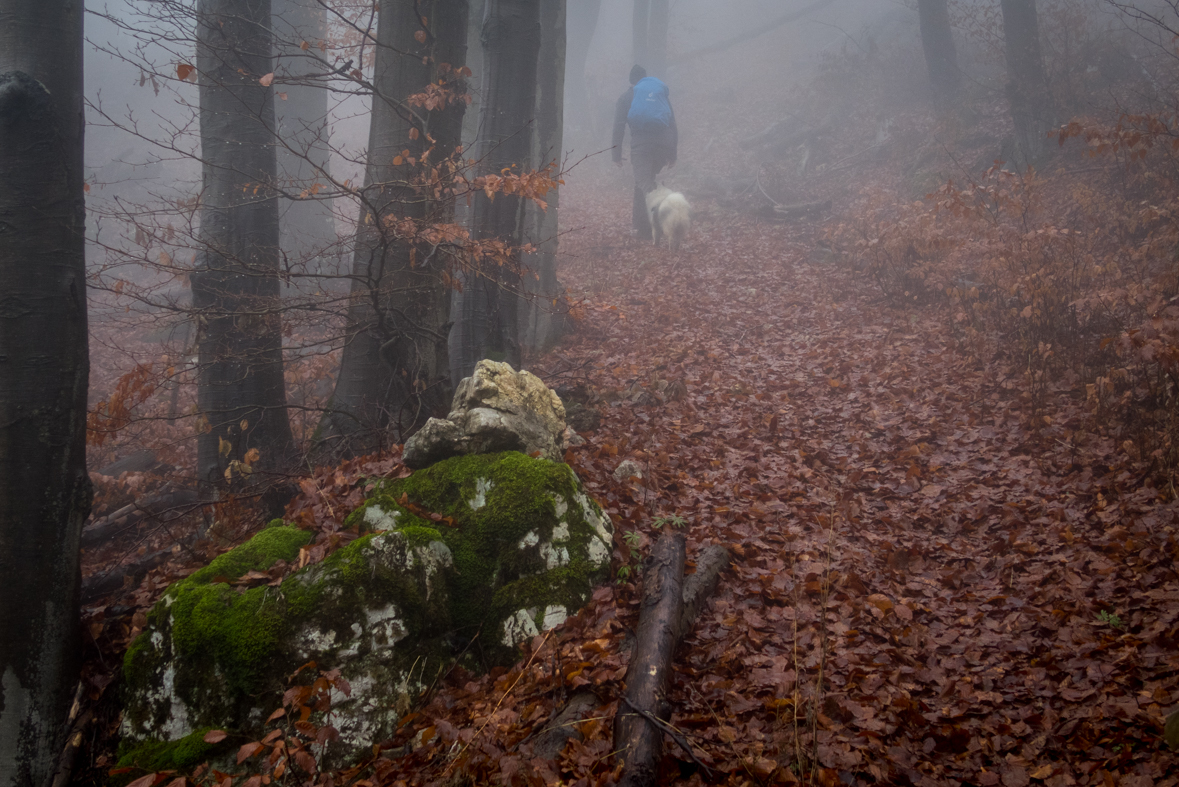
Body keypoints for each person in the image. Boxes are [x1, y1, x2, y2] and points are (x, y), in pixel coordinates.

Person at [612, 65, 678, 240]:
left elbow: (618, 127)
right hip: (663, 146)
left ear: (630, 80)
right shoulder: (658, 95)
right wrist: (673, 154)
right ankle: (642, 227)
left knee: (645, 185)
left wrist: (616, 155)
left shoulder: (626, 97)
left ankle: (666, 218)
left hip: (642, 148)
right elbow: (672, 123)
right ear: (645, 79)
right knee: (642, 182)